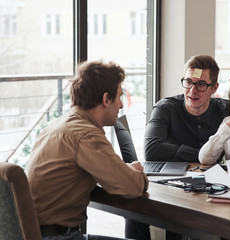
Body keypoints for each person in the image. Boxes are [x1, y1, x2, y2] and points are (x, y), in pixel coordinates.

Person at [26, 60, 149, 240]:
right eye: (120, 96)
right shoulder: (85, 135)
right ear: (106, 99)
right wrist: (134, 172)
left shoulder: (57, 126)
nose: (121, 105)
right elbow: (132, 187)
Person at [144, 55, 230, 162]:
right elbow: (151, 150)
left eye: (201, 84)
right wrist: (203, 155)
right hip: (173, 177)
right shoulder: (165, 108)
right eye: (189, 82)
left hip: (214, 176)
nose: (192, 90)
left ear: (214, 88)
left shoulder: (226, 110)